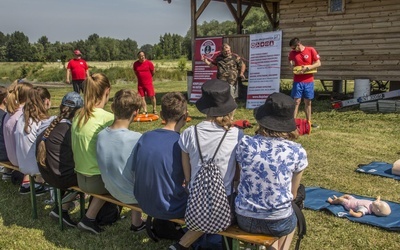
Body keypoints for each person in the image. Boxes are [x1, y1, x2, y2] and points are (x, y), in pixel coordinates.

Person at [173, 79, 244, 250]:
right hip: (225, 198)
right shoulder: (236, 135)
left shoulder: (190, 133)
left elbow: (186, 166)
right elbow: (238, 171)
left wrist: (189, 182)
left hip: (196, 195)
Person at [235, 92, 308, 250]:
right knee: (293, 216)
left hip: (244, 216)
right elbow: (293, 194)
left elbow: (242, 177)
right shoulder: (297, 151)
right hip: (278, 220)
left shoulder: (245, 143)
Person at [133, 92, 188, 220]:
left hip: (143, 203)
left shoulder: (145, 137)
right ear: (185, 116)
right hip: (171, 208)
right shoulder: (182, 144)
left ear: (162, 115)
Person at [96, 89, 145, 232]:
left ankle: (137, 223)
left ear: (112, 108)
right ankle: (137, 223)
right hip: (132, 195)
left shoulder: (100, 135)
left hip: (111, 189)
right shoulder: (137, 138)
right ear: (136, 112)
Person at [71, 72, 113, 234]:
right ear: (107, 91)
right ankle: (89, 218)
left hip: (80, 178)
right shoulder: (108, 118)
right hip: (98, 181)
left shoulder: (78, 115)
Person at [36, 91, 84, 227]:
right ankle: (61, 209)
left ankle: (62, 206)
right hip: (59, 178)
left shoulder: (50, 126)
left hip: (46, 175)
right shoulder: (69, 130)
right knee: (89, 178)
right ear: (79, 111)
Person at [15, 87, 55, 180]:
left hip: (23, 164)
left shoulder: (22, 117)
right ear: (47, 101)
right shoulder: (44, 121)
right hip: (37, 167)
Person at [288, 37, 321, 128]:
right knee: (296, 101)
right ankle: (292, 123)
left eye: (294, 48)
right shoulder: (292, 53)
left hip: (308, 81)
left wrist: (308, 68)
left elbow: (318, 63)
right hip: (297, 81)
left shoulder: (310, 50)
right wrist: (291, 66)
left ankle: (309, 122)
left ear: (298, 45)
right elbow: (290, 62)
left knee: (308, 101)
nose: (293, 50)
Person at [327, 195, 391, 217]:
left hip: (349, 204)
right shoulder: (374, 204)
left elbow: (359, 215)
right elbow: (377, 201)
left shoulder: (366, 209)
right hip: (354, 200)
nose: (378, 202)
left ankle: (333, 202)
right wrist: (378, 198)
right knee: (346, 195)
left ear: (376, 210)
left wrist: (352, 213)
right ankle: (337, 199)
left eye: (379, 203)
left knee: (341, 200)